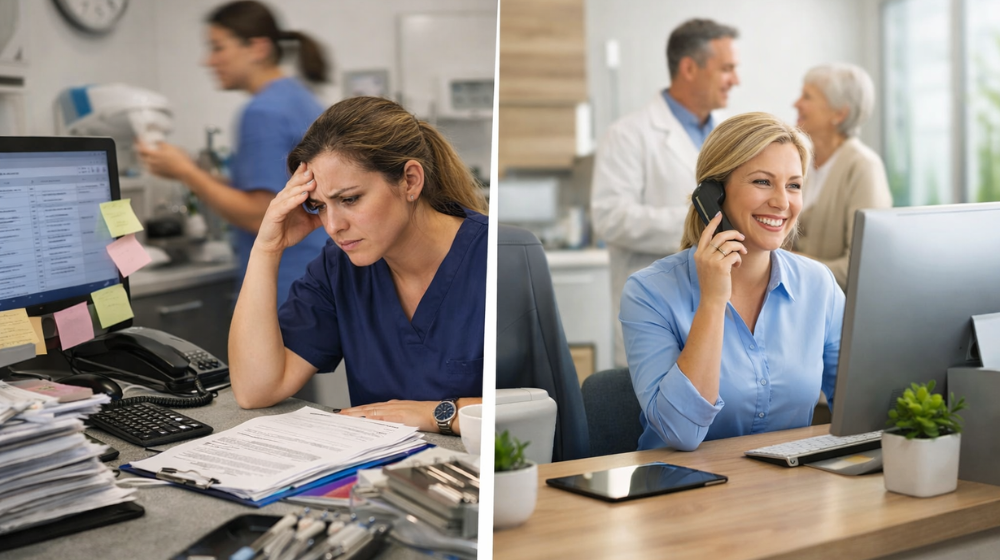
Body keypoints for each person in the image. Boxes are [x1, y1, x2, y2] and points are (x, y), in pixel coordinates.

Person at [228, 96, 488, 435]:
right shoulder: (339, 269)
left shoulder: (495, 257)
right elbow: (255, 389)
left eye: (349, 199)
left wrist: (435, 414)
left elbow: (537, 405)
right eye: (318, 206)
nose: (333, 225)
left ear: (410, 180)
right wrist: (266, 247)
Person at [620, 113, 845, 451]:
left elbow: (861, 406)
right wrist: (712, 301)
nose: (782, 202)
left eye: (794, 185)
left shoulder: (818, 285)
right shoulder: (649, 293)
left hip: (788, 490)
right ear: (713, 194)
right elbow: (680, 433)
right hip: (682, 491)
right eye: (762, 182)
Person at [137, 0, 329, 305]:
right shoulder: (299, 98)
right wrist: (195, 170)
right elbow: (274, 193)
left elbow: (260, 214)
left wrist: (185, 173)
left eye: (217, 47)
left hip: (285, 286)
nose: (208, 61)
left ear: (257, 48)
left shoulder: (262, 112)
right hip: (315, 276)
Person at [591, 18, 740, 367]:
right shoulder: (629, 134)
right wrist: (704, 224)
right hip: (656, 306)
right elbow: (608, 217)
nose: (736, 79)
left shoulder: (731, 133)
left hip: (723, 305)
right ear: (690, 68)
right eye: (727, 69)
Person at [792, 63, 892, 290]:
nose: (796, 104)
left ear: (839, 113)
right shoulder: (799, 161)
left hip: (838, 315)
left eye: (807, 96)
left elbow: (864, 267)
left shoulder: (863, 167)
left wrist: (790, 264)